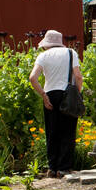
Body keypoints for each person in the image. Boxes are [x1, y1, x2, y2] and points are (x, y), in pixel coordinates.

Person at [28, 29, 82, 178]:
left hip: (50, 94)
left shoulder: (42, 56)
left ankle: (52, 167)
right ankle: (64, 168)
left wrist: (43, 95)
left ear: (47, 44)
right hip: (67, 93)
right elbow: (78, 76)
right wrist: (77, 94)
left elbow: (33, 78)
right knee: (68, 130)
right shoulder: (71, 53)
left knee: (52, 131)